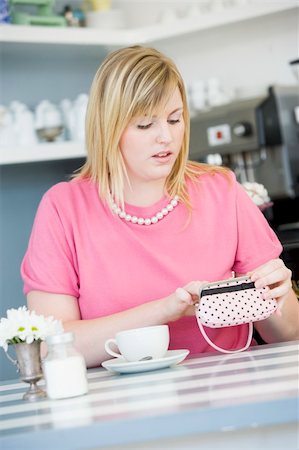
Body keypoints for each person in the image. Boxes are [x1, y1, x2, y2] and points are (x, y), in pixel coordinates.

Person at [21, 46, 299, 367]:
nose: (166, 136)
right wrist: (163, 311)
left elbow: (289, 334)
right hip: (115, 403)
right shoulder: (64, 207)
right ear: (108, 127)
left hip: (227, 388)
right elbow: (51, 348)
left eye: (174, 119)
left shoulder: (221, 190)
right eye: (145, 125)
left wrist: (274, 295)